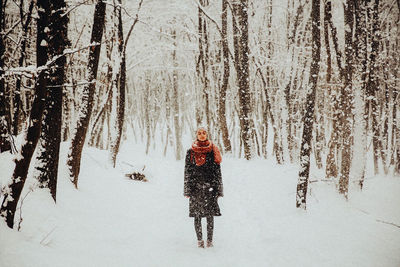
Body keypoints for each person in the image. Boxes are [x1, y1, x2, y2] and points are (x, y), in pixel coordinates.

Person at [184, 127, 223, 248]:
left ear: (207, 134)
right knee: (197, 216)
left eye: (204, 133)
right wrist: (187, 189)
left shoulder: (212, 150)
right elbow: (187, 172)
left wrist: (218, 189)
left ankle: (209, 241)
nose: (202, 135)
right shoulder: (190, 152)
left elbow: (217, 172)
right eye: (199, 133)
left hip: (210, 188)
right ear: (196, 135)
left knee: (210, 216)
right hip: (195, 188)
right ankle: (200, 241)